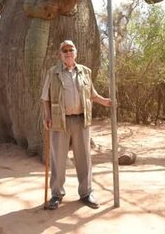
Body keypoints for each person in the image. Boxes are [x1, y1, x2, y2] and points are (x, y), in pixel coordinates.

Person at [41, 40, 112, 210]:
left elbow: (92, 95)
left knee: (84, 159)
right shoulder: (53, 73)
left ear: (75, 52)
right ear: (60, 54)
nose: (67, 52)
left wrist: (105, 101)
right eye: (64, 50)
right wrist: (47, 116)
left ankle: (86, 193)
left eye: (70, 49)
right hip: (60, 122)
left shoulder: (85, 72)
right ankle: (56, 195)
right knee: (58, 159)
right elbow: (46, 98)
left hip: (81, 121)